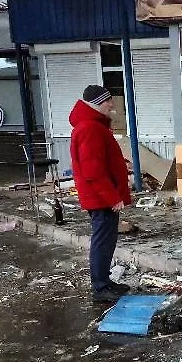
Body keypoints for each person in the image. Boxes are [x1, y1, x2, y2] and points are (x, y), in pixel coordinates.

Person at [69, 85, 132, 303]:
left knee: (106, 240)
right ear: (96, 103)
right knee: (102, 241)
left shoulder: (93, 126)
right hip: (101, 198)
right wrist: (112, 198)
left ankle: (104, 282)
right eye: (107, 101)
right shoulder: (89, 129)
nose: (112, 105)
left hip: (100, 197)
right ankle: (100, 286)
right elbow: (93, 171)